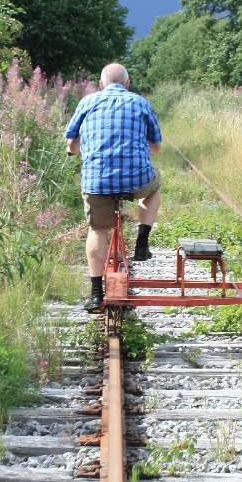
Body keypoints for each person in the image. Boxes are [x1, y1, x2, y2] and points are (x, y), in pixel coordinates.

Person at [64, 62, 162, 311]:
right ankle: (142, 240)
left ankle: (96, 294)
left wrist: (72, 150)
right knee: (154, 186)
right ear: (128, 84)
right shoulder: (140, 102)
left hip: (98, 181)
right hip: (137, 179)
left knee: (97, 230)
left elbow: (71, 144)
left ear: (100, 84)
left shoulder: (87, 102)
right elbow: (156, 147)